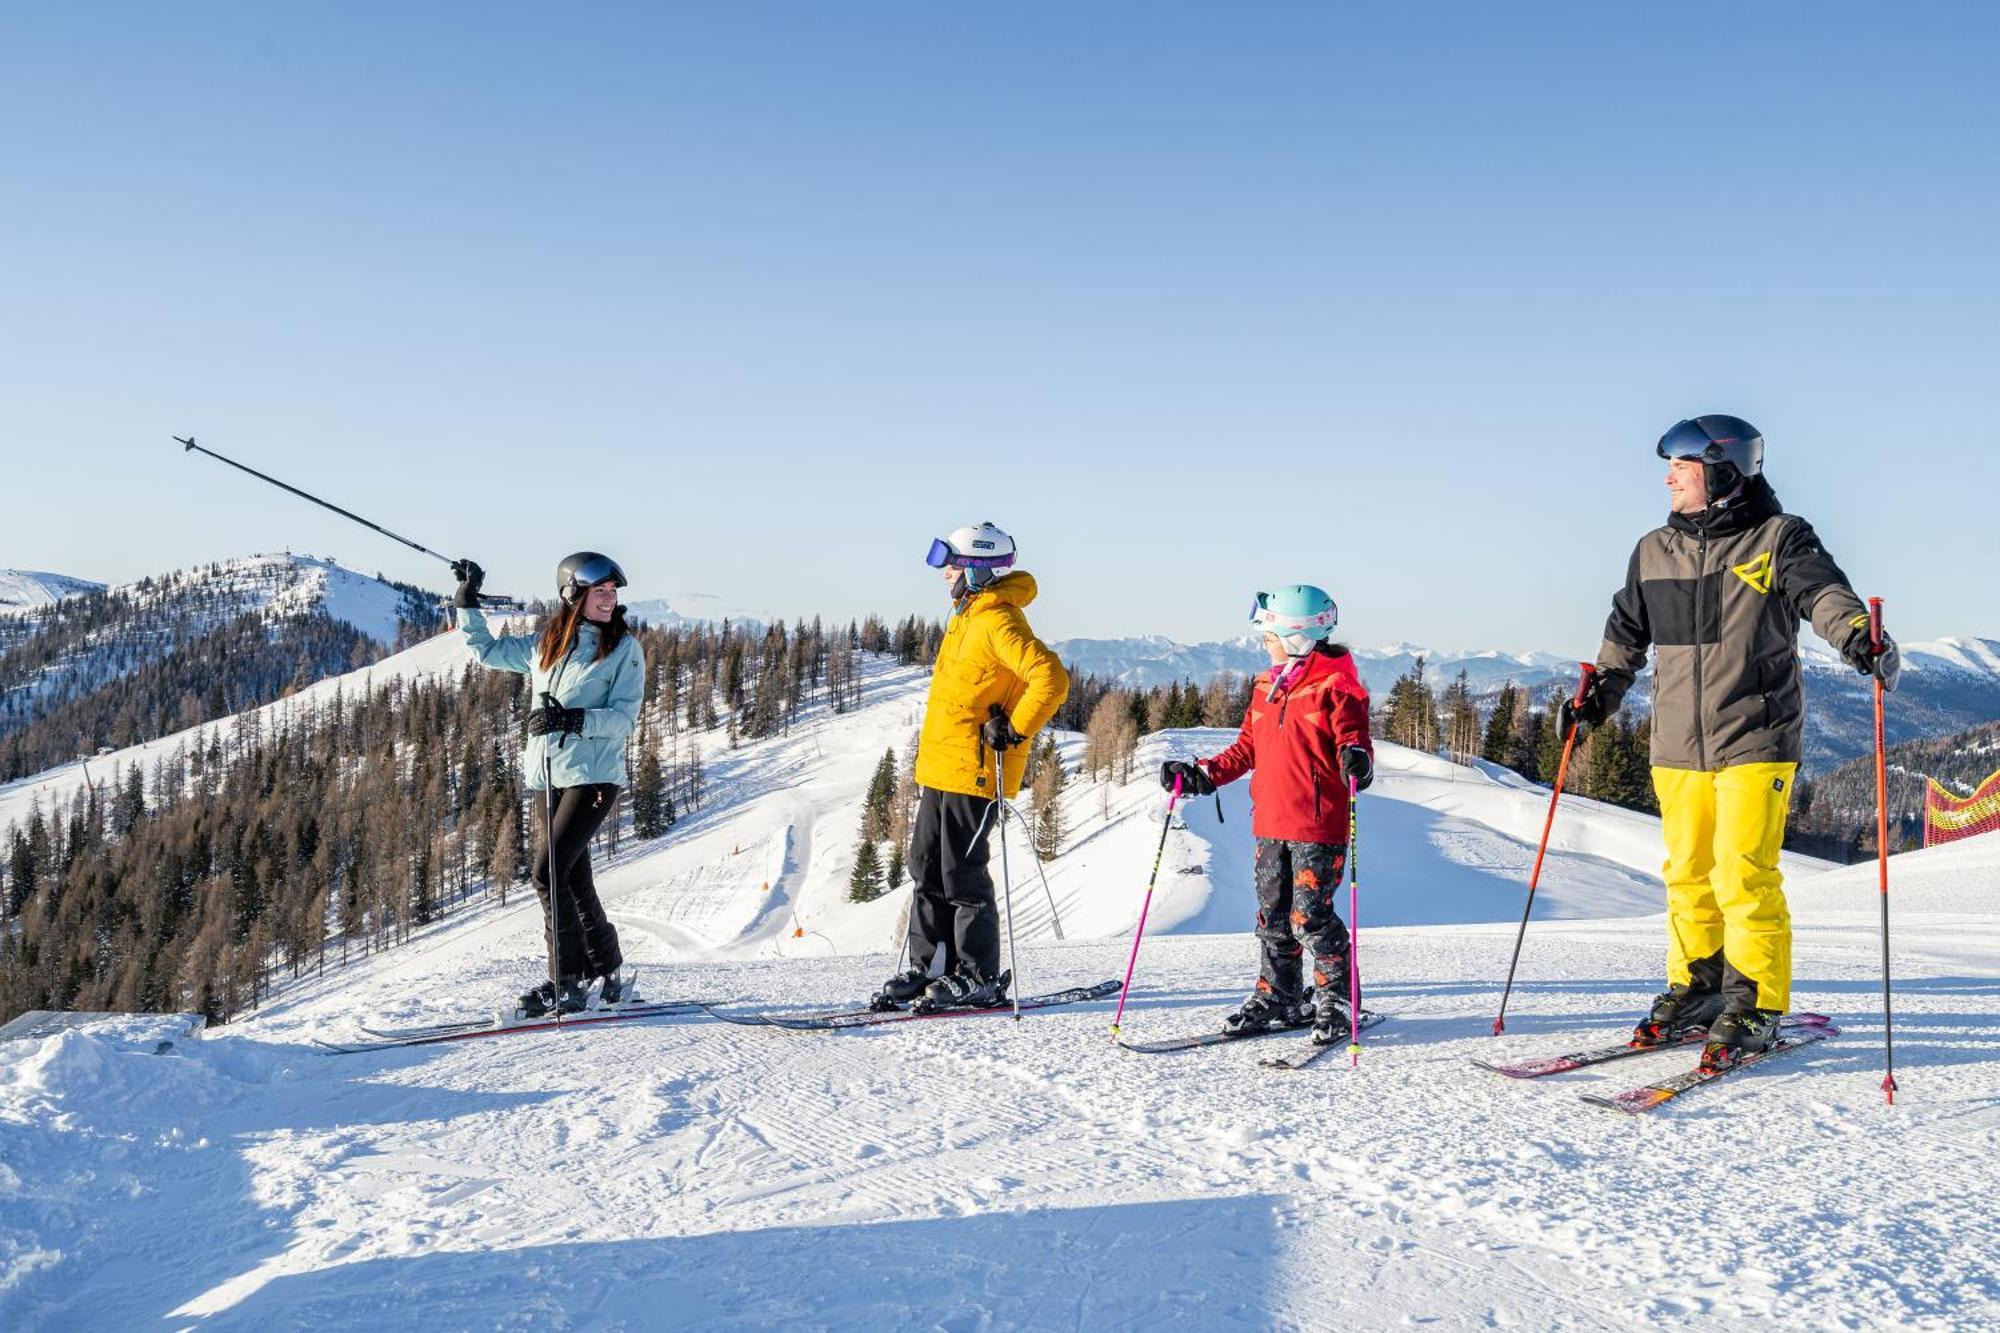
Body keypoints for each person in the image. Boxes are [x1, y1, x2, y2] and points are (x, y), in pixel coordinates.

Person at [1567, 415, 1898, 1069]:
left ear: (1721, 470)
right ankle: (1698, 987)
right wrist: (1594, 699)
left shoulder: (1778, 538)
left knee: (1743, 874)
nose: (1668, 477)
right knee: (1688, 875)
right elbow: (1623, 637)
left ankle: (1754, 1001)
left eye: (1681, 467)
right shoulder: (1652, 550)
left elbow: (1823, 593)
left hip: (1756, 734)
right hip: (1676, 745)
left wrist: (1859, 633)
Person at [1160, 585, 1374, 1043]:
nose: (1263, 642)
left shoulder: (1337, 686)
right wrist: (1201, 774)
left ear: (1296, 634)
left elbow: (1354, 742)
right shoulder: (1266, 686)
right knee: (1272, 920)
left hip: (1317, 825)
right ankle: (1280, 995)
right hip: (1271, 822)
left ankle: (1337, 1000)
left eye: (1269, 633)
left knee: (1309, 919)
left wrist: (1357, 759)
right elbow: (1246, 749)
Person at [874, 522, 1070, 1011]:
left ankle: (977, 975)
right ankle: (931, 967)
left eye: (953, 564)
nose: (944, 574)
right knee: (926, 868)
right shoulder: (967, 616)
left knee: (962, 874)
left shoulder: (997, 620)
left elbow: (1050, 677)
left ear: (978, 570)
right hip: (941, 767)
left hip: (975, 770)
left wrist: (1015, 728)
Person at [452, 552, 645, 1017]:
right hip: (548, 777)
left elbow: (624, 719)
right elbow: (487, 651)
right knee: (573, 876)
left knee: (547, 872)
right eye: (599, 591)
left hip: (592, 778)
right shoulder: (548, 644)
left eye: (612, 592)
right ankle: (609, 972)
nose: (609, 599)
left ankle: (566, 982)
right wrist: (466, 602)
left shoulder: (623, 650)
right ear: (572, 595)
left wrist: (572, 718)